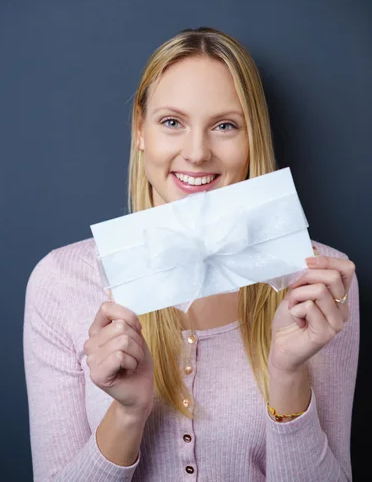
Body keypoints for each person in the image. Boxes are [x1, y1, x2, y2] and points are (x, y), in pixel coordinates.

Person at [23, 27, 359, 482]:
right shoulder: (61, 282)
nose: (197, 153)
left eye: (225, 126)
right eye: (171, 122)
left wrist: (287, 373)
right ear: (140, 131)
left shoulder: (318, 284)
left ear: (251, 139)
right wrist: (126, 415)